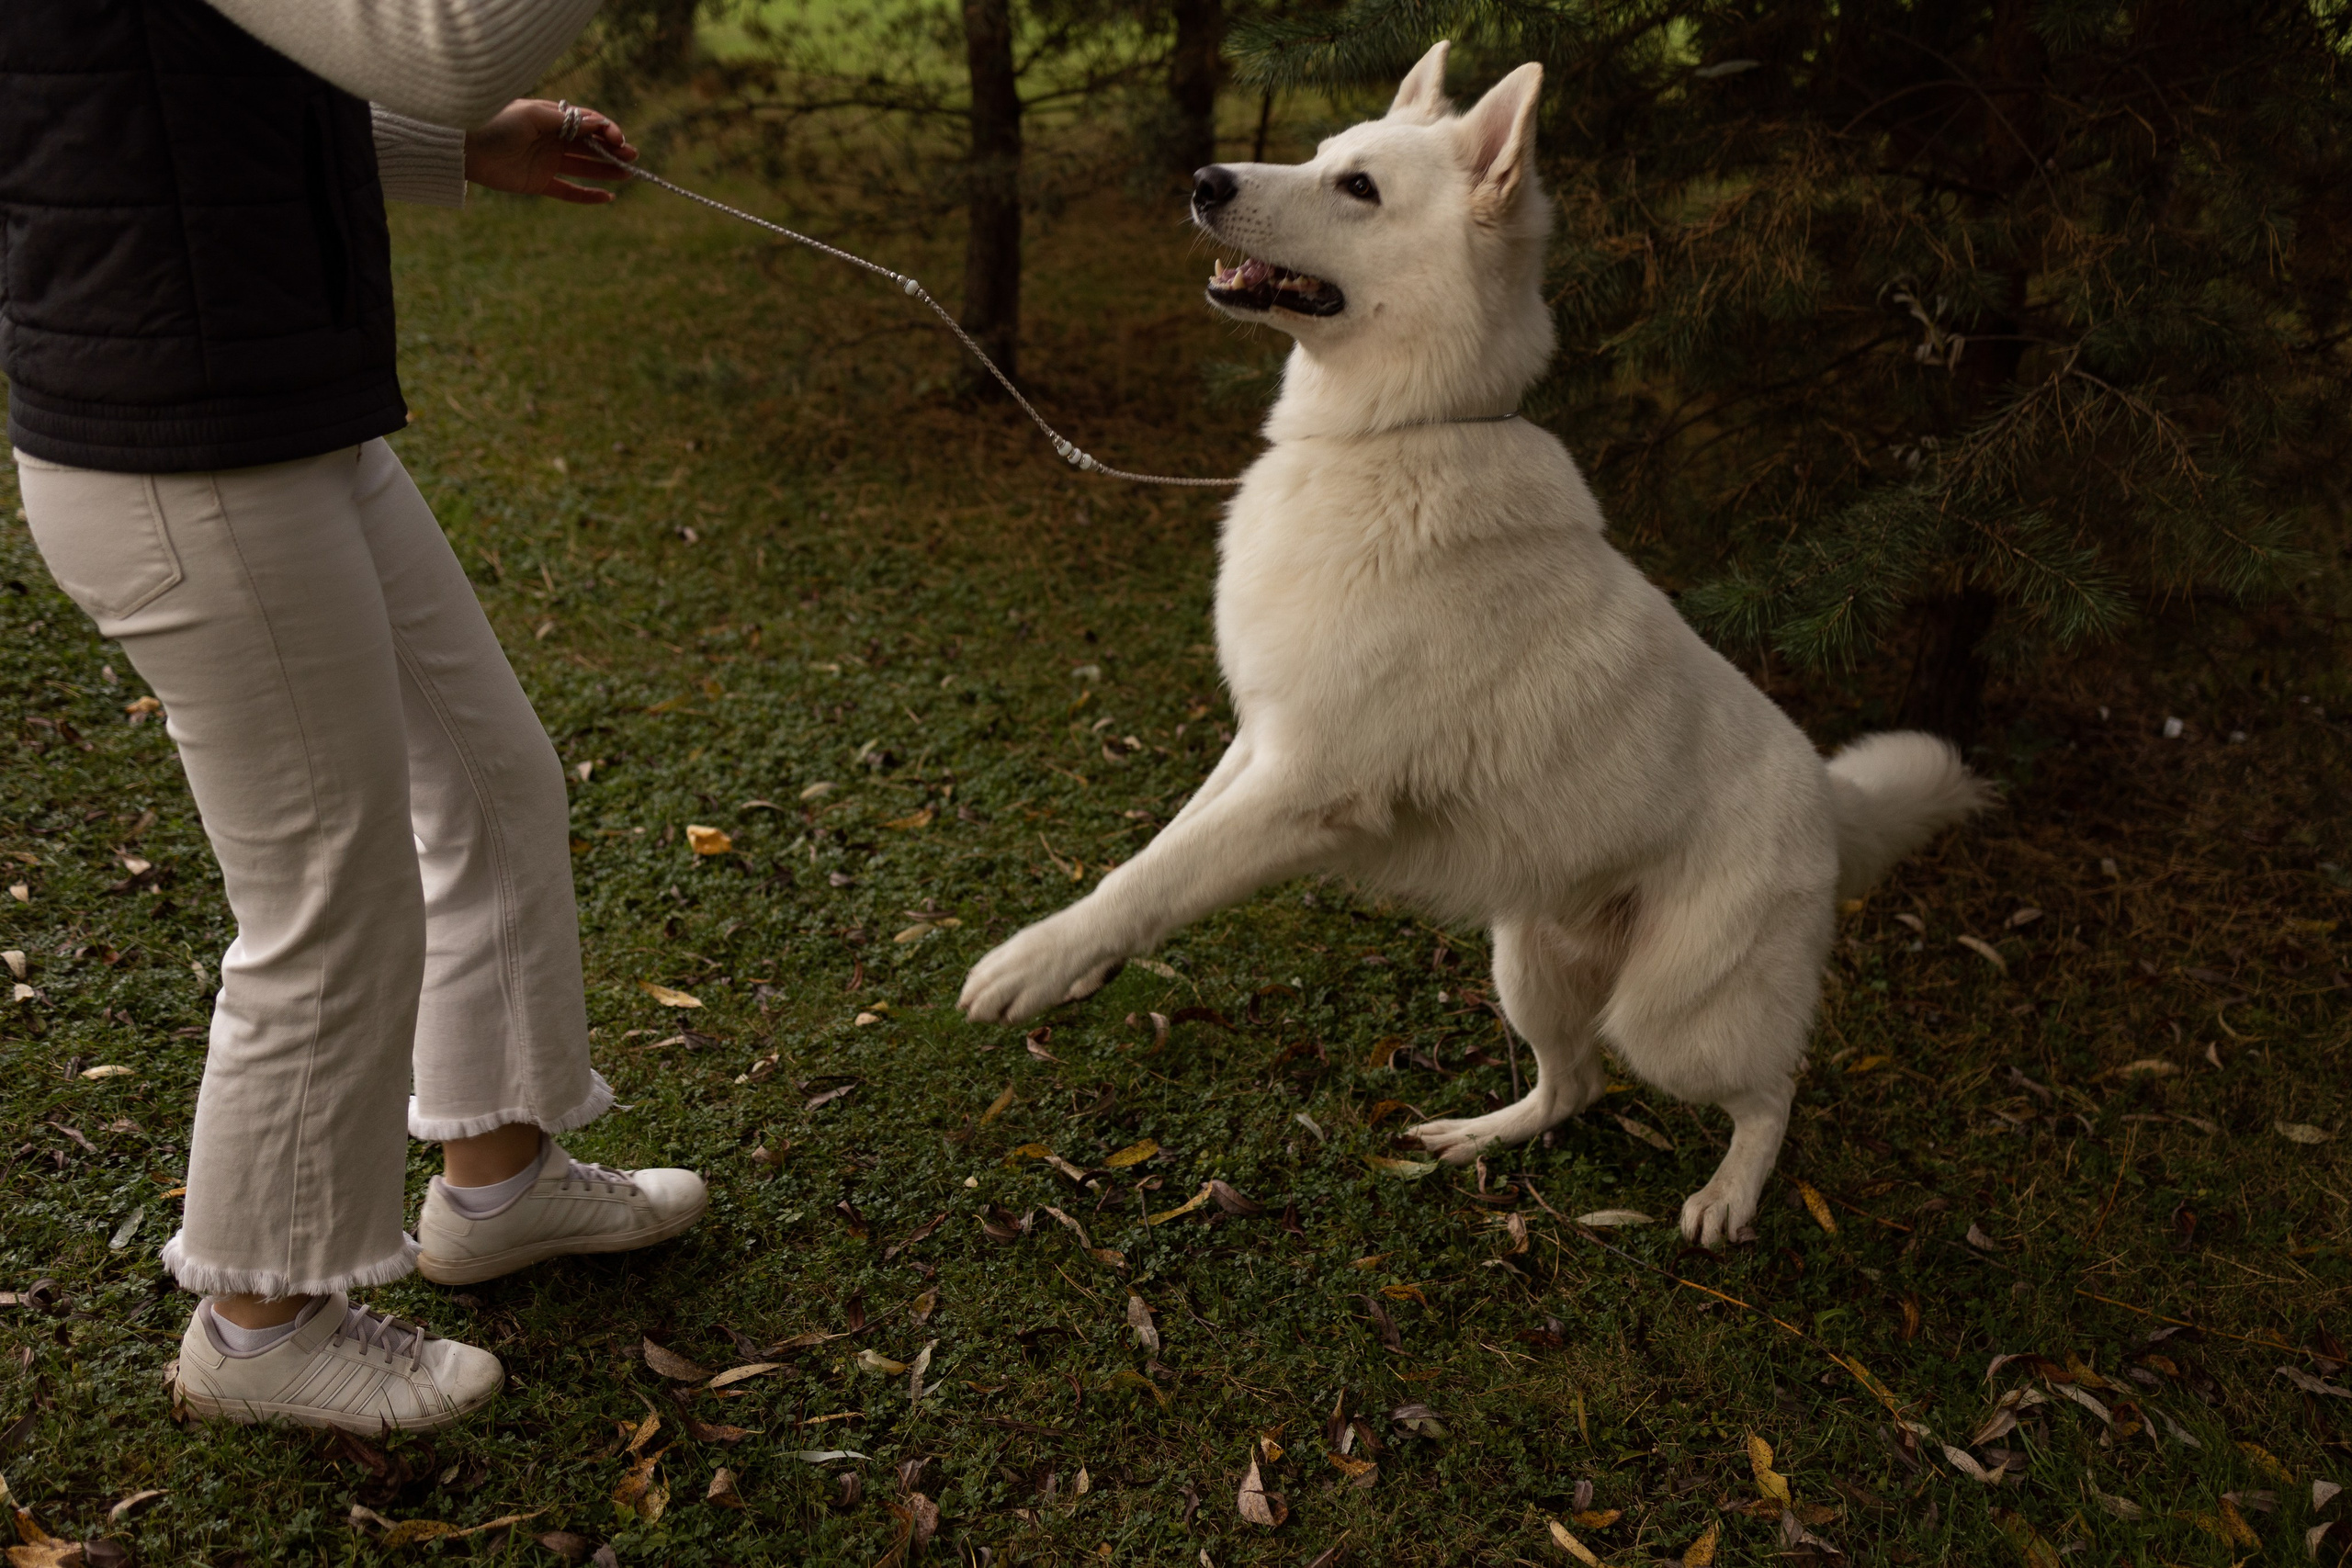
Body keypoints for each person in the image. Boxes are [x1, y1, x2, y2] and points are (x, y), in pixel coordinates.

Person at [2, 0, 707, 1432]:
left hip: (269, 406)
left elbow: (161, 101)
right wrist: (460, 108)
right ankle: (258, 1331)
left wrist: (454, 152)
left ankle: (496, 1186)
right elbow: (447, 42)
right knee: (331, 893)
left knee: (491, 777)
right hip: (188, 449)